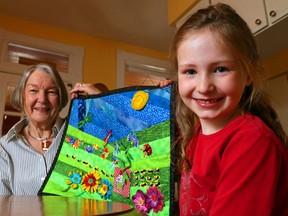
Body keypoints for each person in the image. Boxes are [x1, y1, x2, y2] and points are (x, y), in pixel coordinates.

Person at [168, 3, 288, 215]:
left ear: (248, 74)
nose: (204, 87)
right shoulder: (195, 131)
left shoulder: (251, 142)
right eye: (190, 71)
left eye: (220, 69)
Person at [0, 63, 101, 195]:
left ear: (60, 99)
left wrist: (103, 102)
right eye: (33, 91)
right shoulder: (4, 148)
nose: (42, 99)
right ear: (22, 96)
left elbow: (124, 151)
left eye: (51, 92)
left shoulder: (80, 133)